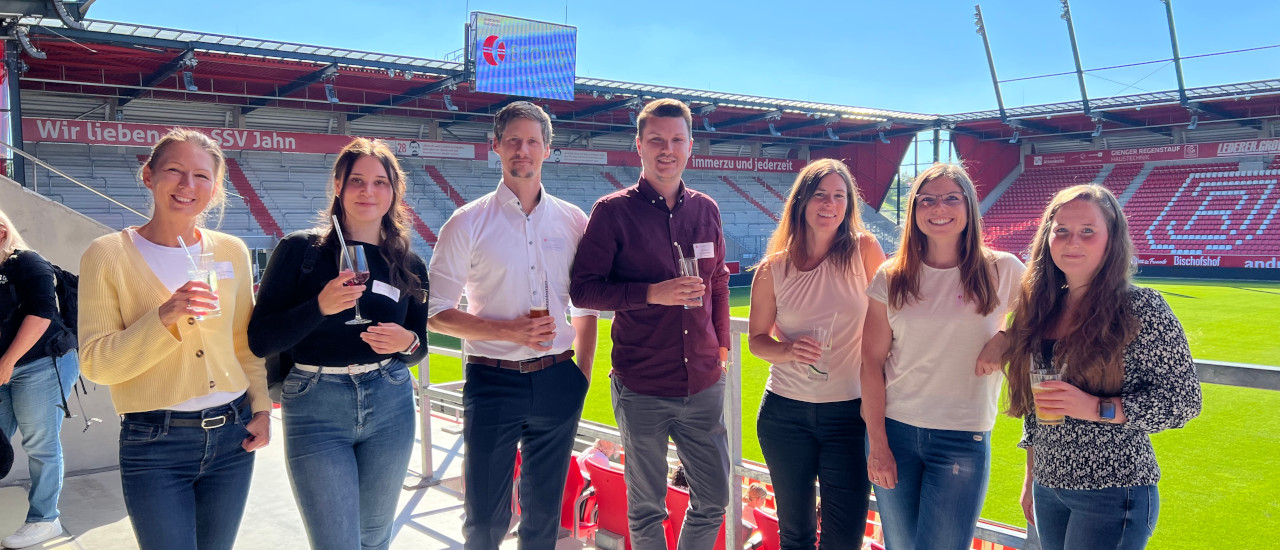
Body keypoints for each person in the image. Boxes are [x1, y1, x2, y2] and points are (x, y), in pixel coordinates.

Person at [79, 129, 271, 550]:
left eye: (202, 176)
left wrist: (260, 408)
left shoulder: (231, 251)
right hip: (155, 443)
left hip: (232, 436)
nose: (188, 186)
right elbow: (95, 363)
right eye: (174, 171)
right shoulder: (107, 254)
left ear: (216, 188)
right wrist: (163, 318)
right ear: (148, 175)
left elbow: (244, 343)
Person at [428, 101, 597, 550]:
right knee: (484, 520)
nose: (523, 150)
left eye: (533, 142)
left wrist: (581, 377)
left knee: (544, 519)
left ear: (547, 149)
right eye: (514, 141)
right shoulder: (466, 222)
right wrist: (509, 332)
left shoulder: (574, 221)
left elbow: (585, 308)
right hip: (492, 381)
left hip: (559, 379)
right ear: (496, 146)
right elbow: (436, 311)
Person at [248, 138, 428, 550]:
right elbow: (260, 340)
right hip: (315, 405)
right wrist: (319, 307)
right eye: (357, 181)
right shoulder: (300, 251)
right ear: (338, 187)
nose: (369, 191)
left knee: (375, 538)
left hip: (391, 403)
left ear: (394, 191)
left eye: (380, 182)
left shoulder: (410, 264)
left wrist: (407, 341)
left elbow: (419, 350)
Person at [571, 97, 732, 550]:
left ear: (690, 145)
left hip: (702, 382)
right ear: (638, 145)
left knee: (714, 500)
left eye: (677, 140)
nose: (668, 149)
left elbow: (717, 281)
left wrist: (722, 346)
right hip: (641, 384)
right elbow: (583, 290)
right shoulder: (613, 211)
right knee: (646, 509)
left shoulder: (706, 210)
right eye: (657, 140)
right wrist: (650, 293)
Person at [1003, 185, 1201, 550]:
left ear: (1111, 240)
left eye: (1087, 231)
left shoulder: (1141, 308)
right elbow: (1037, 407)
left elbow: (1184, 400)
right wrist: (1032, 476)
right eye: (1060, 230)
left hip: (1113, 490)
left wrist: (1096, 408)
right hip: (1050, 488)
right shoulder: (1042, 308)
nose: (1071, 241)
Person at [861, 163, 1024, 550]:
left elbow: (1050, 317)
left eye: (952, 198)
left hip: (962, 435)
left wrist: (1006, 338)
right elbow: (870, 362)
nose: (939, 208)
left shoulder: (1003, 269)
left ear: (968, 207)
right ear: (914, 210)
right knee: (900, 545)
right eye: (927, 200)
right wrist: (878, 444)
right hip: (895, 431)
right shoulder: (891, 275)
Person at [747, 159, 885, 549]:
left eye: (839, 196)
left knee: (845, 537)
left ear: (849, 204)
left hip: (850, 414)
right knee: (795, 535)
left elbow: (897, 313)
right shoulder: (773, 268)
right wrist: (788, 350)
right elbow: (757, 339)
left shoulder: (864, 250)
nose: (830, 204)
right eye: (820, 194)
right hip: (784, 415)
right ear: (801, 201)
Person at [0, 210, 80, 548]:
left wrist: (8, 360)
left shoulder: (28, 263)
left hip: (43, 364)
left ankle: (44, 520)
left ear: (1, 232)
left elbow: (43, 313)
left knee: (40, 445)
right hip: (5, 367)